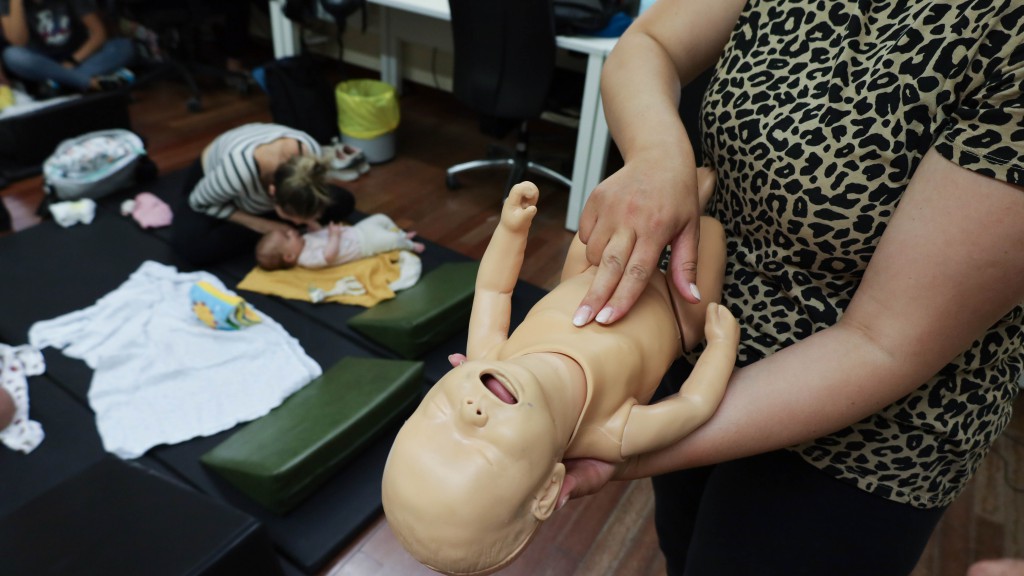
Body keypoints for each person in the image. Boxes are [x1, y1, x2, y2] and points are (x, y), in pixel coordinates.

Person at [559, 1, 1024, 575]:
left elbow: (883, 341)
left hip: (866, 438)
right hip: (703, 340)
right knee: (684, 548)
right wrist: (659, 155)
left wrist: (631, 444)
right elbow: (649, 41)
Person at [381, 177, 739, 576]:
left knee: (606, 221)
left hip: (589, 275)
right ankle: (699, 200)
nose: (470, 411)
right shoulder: (612, 433)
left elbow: (493, 290)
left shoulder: (490, 354)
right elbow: (694, 405)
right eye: (485, 451)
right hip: (675, 306)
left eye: (438, 412)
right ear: (550, 487)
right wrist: (721, 346)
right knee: (710, 234)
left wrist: (510, 229)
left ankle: (684, 188)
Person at [171, 122, 356, 267]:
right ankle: (264, 230)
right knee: (193, 247)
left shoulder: (311, 154)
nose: (298, 224)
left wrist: (308, 220)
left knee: (344, 201)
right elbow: (198, 202)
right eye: (294, 219)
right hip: (211, 185)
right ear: (272, 193)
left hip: (264, 192)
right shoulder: (237, 171)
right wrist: (263, 225)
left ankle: (277, 234)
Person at [0, 0, 135, 94]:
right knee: (12, 55)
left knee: (123, 46)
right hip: (41, 64)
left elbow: (98, 33)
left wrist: (72, 61)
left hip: (77, 58)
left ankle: (64, 84)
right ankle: (86, 82)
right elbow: (18, 41)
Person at [255, 213, 425, 271]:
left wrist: (310, 222)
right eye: (287, 237)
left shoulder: (304, 241)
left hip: (357, 231)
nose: (292, 232)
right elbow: (328, 255)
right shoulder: (307, 259)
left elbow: (318, 232)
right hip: (364, 245)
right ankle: (410, 246)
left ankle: (402, 233)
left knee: (381, 218)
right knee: (391, 240)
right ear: (290, 256)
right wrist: (334, 236)